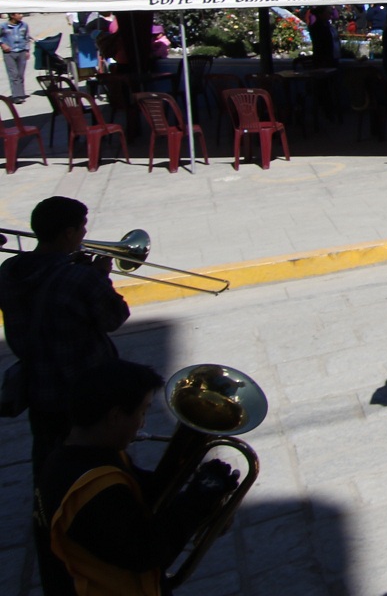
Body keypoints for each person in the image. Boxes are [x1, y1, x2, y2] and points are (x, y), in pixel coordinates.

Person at [35, 359, 234, 596]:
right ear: (115, 416)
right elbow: (148, 551)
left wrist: (199, 488)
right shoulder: (89, 489)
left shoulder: (77, 456)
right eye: (142, 411)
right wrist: (198, 498)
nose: (142, 423)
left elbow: (144, 497)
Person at [0, 196, 132, 476]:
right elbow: (115, 317)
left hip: (39, 389)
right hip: (85, 390)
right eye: (82, 228)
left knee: (49, 463)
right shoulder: (80, 279)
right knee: (95, 465)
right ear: (69, 233)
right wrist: (100, 277)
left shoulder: (10, 270)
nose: (86, 234)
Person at [2, 11, 32, 102]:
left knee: (20, 74)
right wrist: (2, 44)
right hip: (9, 53)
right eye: (19, 14)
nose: (21, 16)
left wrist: (27, 50)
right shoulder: (3, 26)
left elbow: (27, 38)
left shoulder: (24, 25)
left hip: (21, 51)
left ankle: (21, 94)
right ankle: (16, 96)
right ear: (12, 15)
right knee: (13, 74)